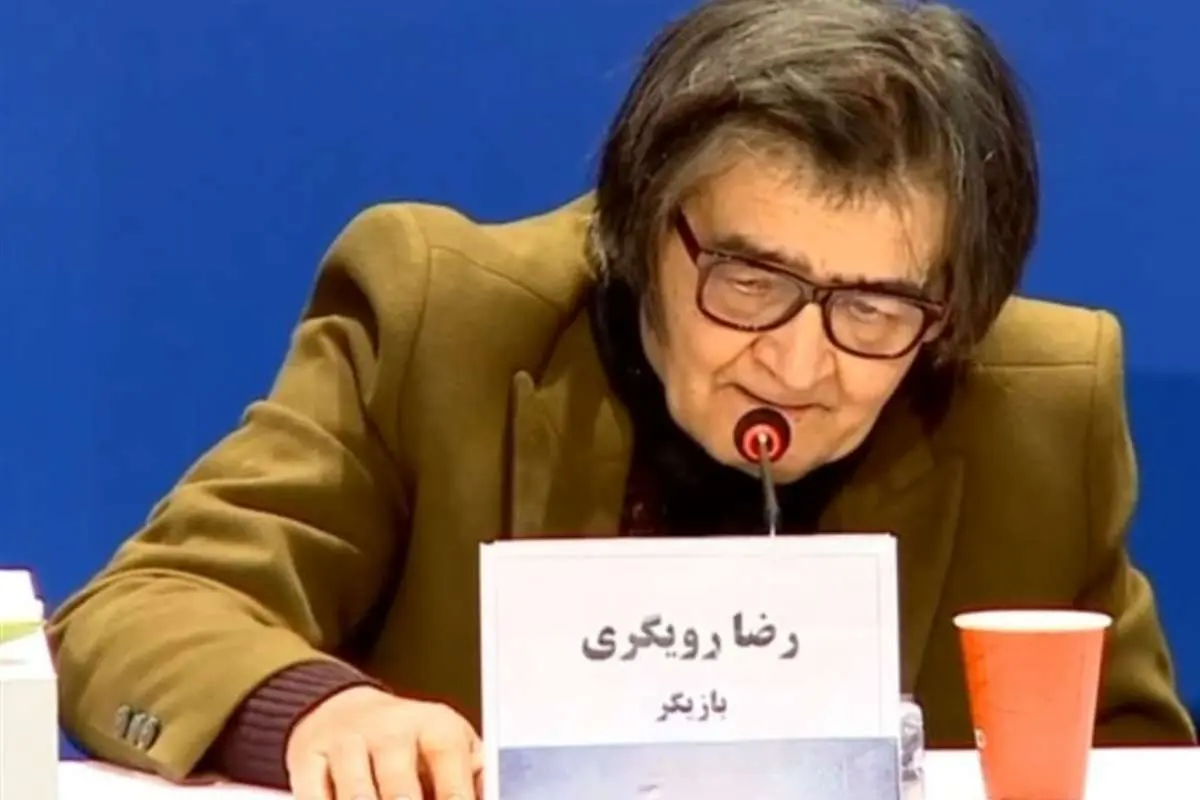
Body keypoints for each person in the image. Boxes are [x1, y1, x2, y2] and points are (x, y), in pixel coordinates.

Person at [49, 0, 1196, 798]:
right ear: (646, 229)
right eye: (749, 281)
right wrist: (315, 711)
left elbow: (1136, 762)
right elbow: (145, 609)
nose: (799, 365)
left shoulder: (1041, 408)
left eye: (876, 307)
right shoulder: (443, 320)